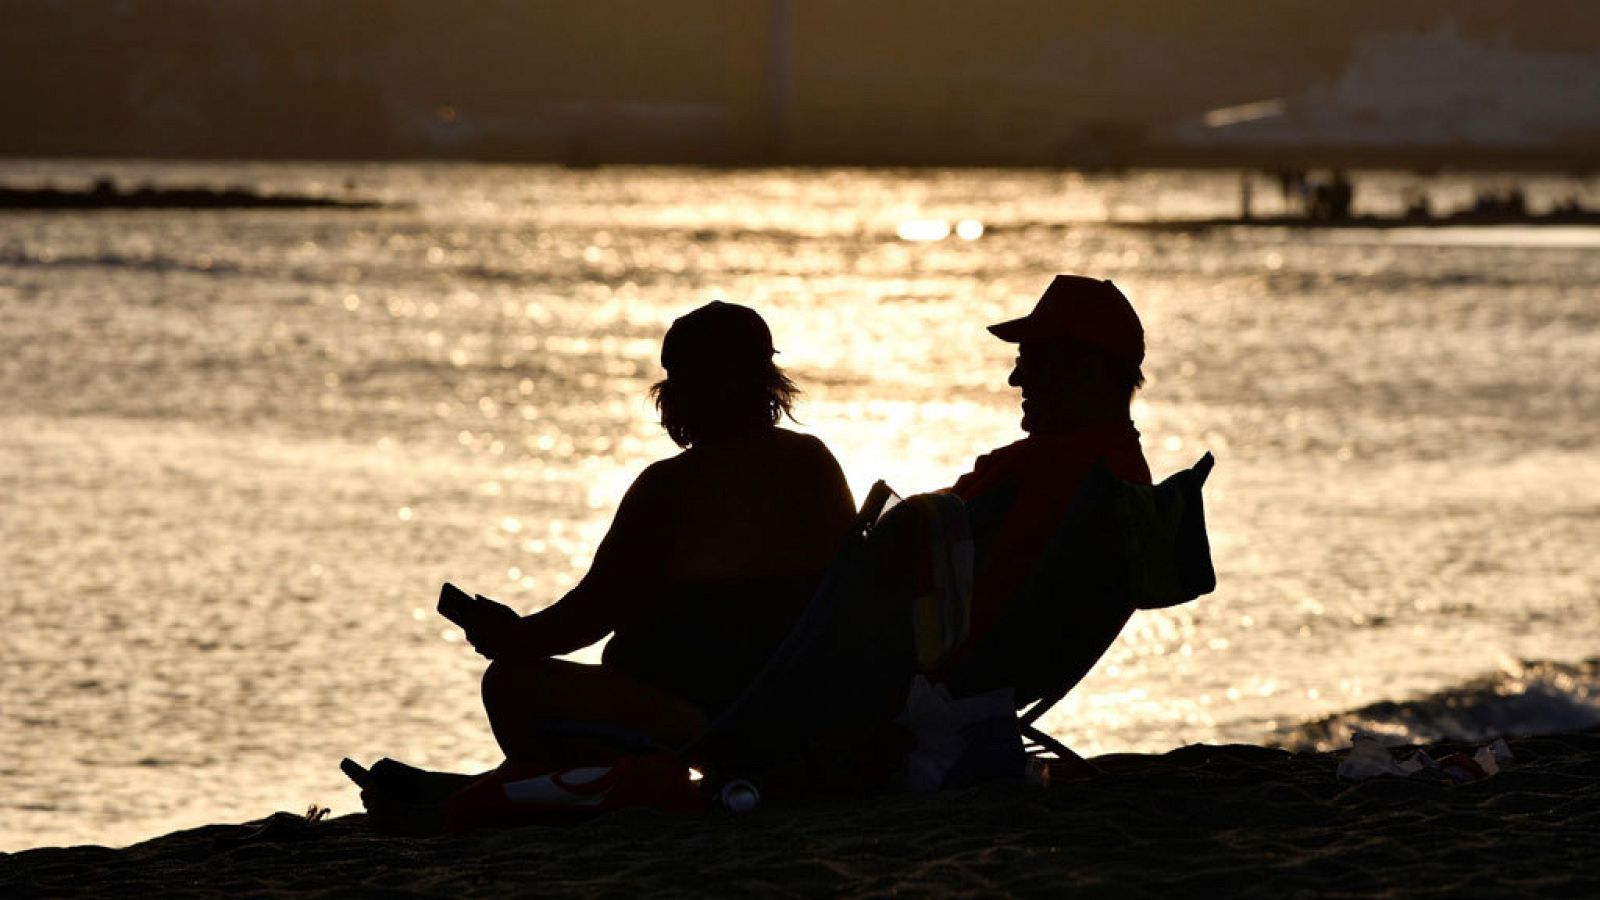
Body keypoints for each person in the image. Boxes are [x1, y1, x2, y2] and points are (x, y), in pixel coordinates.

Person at [459, 301, 856, 767]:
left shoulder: (671, 485)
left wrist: (511, 637)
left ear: (683, 393)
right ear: (768, 384)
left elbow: (589, 615)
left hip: (699, 720)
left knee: (509, 683)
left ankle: (586, 794)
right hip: (800, 710)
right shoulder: (814, 463)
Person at [941, 274, 1153, 682]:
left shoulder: (1040, 471)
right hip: (1014, 670)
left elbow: (908, 548)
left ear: (1090, 373)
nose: (1015, 378)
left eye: (1032, 359)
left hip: (940, 662)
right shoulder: (1128, 477)